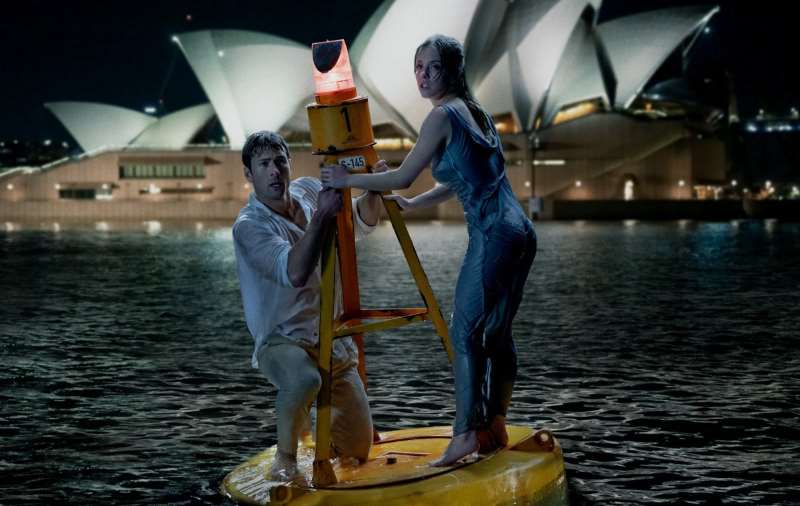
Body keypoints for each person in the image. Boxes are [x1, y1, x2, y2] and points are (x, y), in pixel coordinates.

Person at [320, 34, 537, 466]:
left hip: (494, 234)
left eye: (432, 67)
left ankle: (464, 435)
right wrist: (417, 204)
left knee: (464, 333)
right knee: (496, 333)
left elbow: (401, 177)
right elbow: (464, 180)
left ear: (452, 71)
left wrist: (346, 181)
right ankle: (494, 422)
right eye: (417, 66)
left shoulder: (441, 117)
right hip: (520, 232)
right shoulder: (476, 112)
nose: (422, 75)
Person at [233, 130, 384, 481]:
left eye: (280, 161)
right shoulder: (249, 227)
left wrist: (374, 188)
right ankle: (284, 460)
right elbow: (295, 271)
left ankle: (320, 437)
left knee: (358, 449)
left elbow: (358, 223)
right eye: (264, 164)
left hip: (330, 336)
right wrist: (321, 217)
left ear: (290, 163)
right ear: (249, 174)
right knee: (303, 380)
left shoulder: (307, 190)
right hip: (282, 340)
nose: (274, 171)